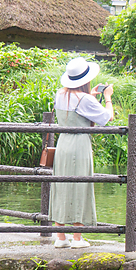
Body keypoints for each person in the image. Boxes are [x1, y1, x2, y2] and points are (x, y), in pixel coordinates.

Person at [50, 57, 113, 249]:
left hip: (63, 144)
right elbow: (106, 117)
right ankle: (78, 238)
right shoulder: (84, 99)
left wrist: (91, 97)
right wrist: (108, 97)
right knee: (80, 185)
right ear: (86, 79)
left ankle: (60, 236)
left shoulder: (60, 94)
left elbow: (76, 109)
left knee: (61, 185)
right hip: (80, 145)